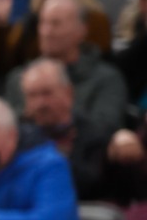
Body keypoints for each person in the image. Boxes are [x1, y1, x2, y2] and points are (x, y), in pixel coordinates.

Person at [5, 0, 126, 136]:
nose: (47, 32)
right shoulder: (19, 78)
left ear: (82, 30)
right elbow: (6, 129)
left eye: (56, 23)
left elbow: (106, 128)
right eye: (43, 23)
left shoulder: (106, 79)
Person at [13, 55, 114, 201]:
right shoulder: (14, 134)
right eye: (32, 95)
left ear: (68, 93)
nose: (40, 103)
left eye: (47, 93)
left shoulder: (94, 134)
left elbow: (91, 185)